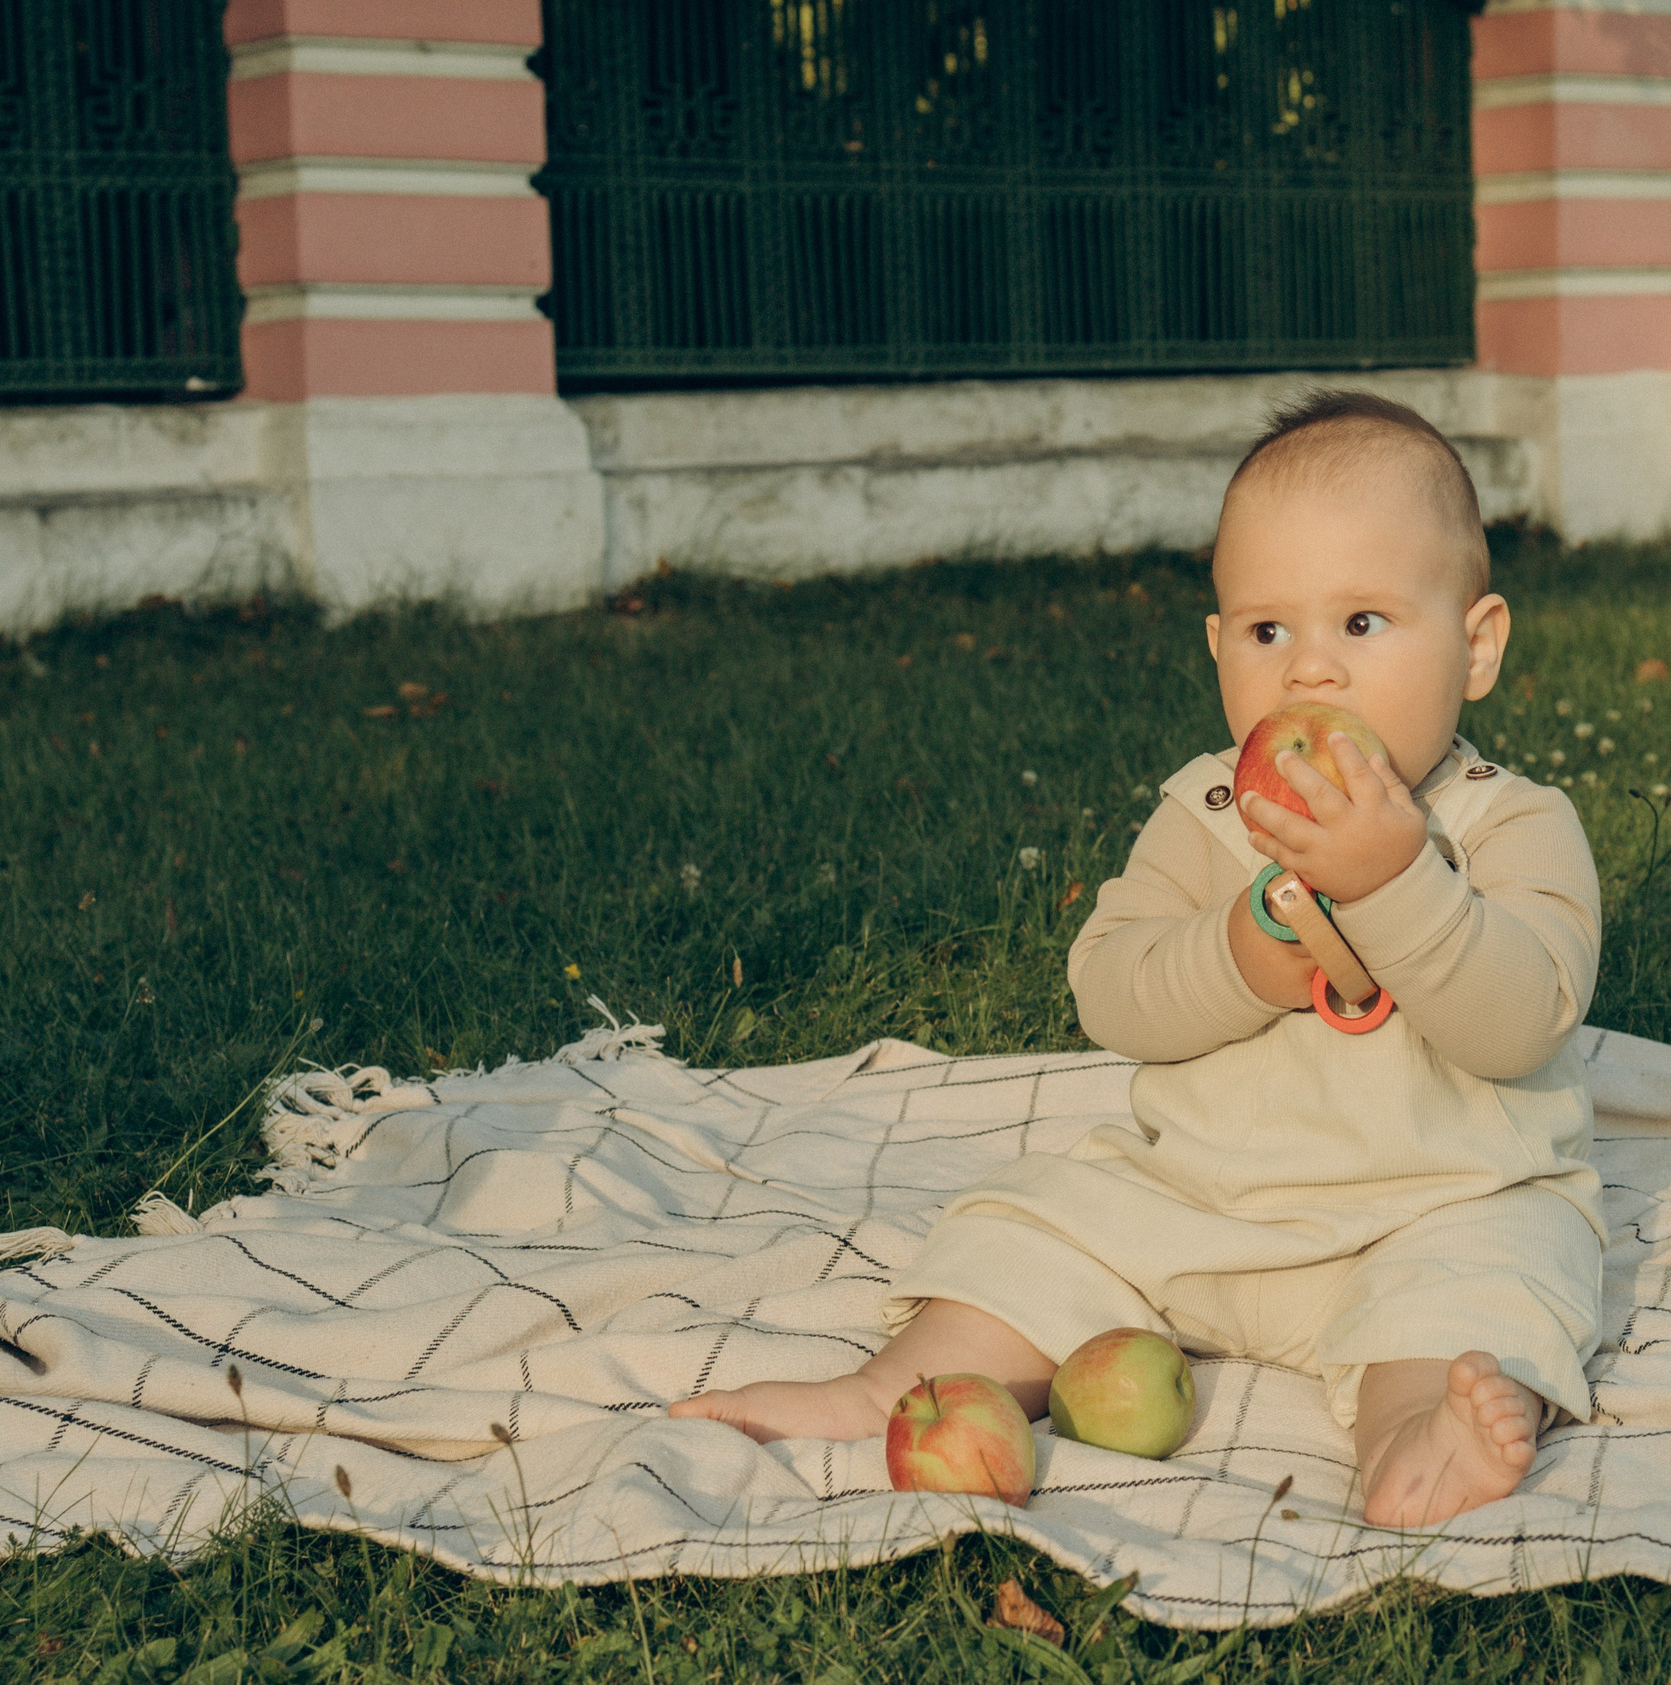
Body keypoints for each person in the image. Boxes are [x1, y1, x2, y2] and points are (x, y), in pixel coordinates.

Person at [674, 390, 1605, 1526]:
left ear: (1477, 644)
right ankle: (894, 1389)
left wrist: (1396, 880)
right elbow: (1111, 990)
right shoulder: (1209, 814)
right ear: (1217, 647)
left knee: (1495, 1280)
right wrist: (1241, 955)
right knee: (1038, 1221)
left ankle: (1418, 1431)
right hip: (1203, 1203)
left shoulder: (1513, 825)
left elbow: (1522, 1020)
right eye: (1268, 632)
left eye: (1361, 623)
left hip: (1439, 1205)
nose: (1310, 673)